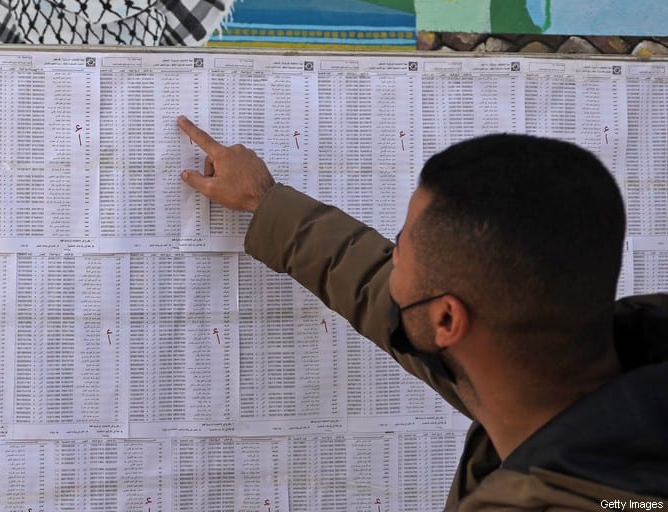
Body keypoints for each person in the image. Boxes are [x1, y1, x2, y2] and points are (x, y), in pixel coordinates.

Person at [177, 116, 668, 509]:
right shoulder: (565, 381)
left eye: (402, 249)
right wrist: (266, 203)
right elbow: (383, 298)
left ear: (448, 322)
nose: (393, 257)